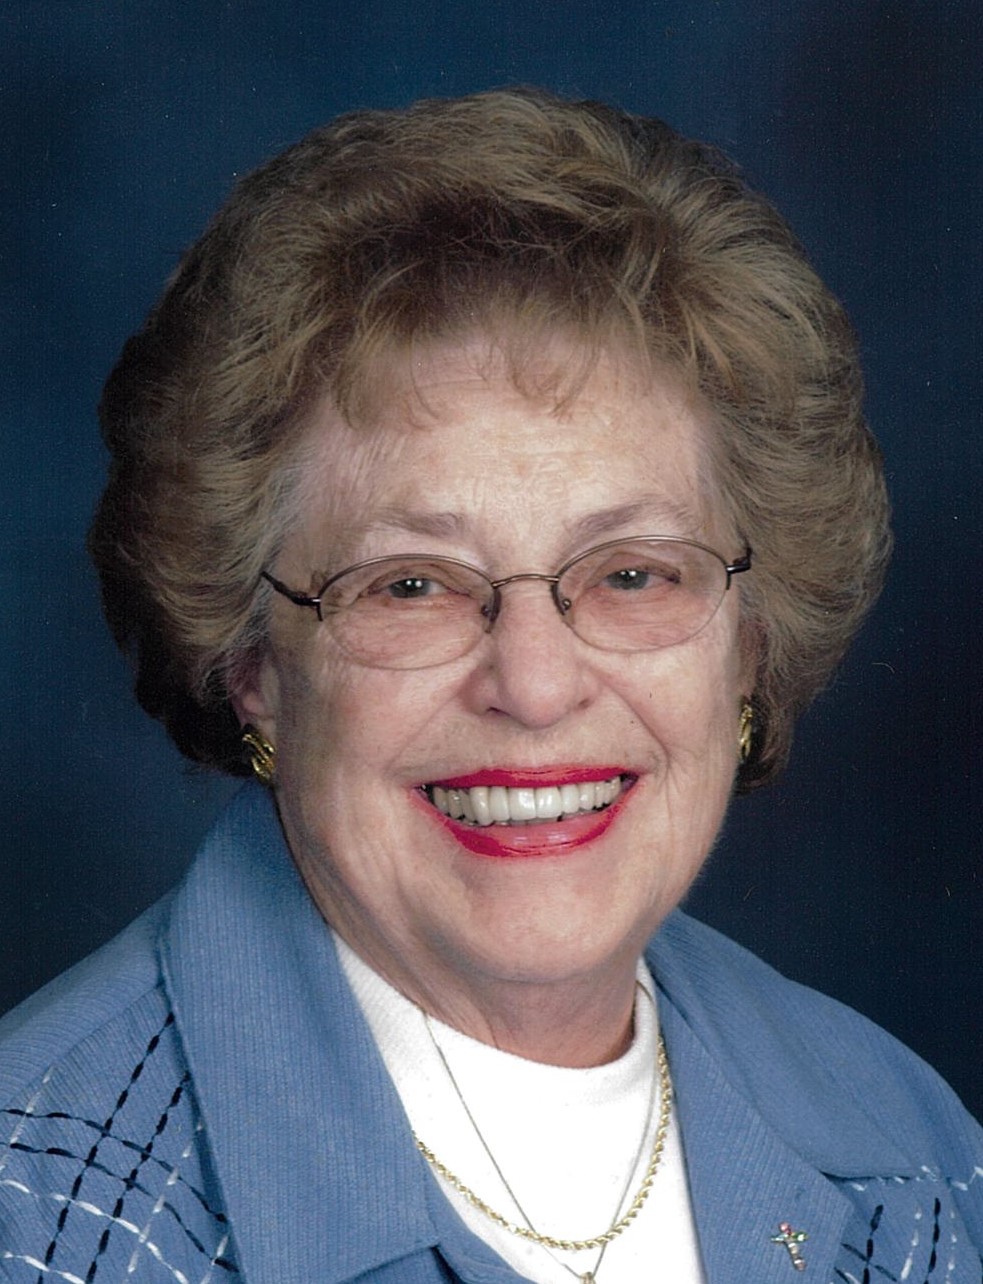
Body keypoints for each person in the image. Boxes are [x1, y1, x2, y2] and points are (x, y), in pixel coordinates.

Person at [1, 87, 979, 1284]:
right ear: (253, 668)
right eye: (409, 585)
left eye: (631, 573)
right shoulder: (46, 1217)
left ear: (746, 644)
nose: (533, 683)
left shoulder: (911, 1154)